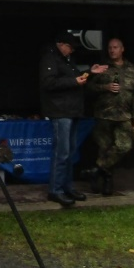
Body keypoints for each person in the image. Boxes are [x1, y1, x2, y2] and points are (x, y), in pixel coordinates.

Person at [39, 32, 107, 206]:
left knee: (70, 152)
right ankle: (55, 190)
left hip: (72, 110)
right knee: (61, 152)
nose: (71, 51)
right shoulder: (50, 59)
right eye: (70, 47)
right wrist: (74, 81)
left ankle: (67, 187)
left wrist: (89, 72)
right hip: (60, 111)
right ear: (61, 44)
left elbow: (75, 78)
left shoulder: (67, 60)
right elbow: (48, 83)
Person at [83, 37, 134, 196]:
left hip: (124, 115)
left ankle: (95, 170)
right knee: (104, 149)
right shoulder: (103, 68)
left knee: (125, 145)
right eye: (110, 47)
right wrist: (106, 87)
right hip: (104, 115)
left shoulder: (133, 69)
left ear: (122, 49)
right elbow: (88, 88)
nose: (112, 50)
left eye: (115, 47)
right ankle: (106, 183)